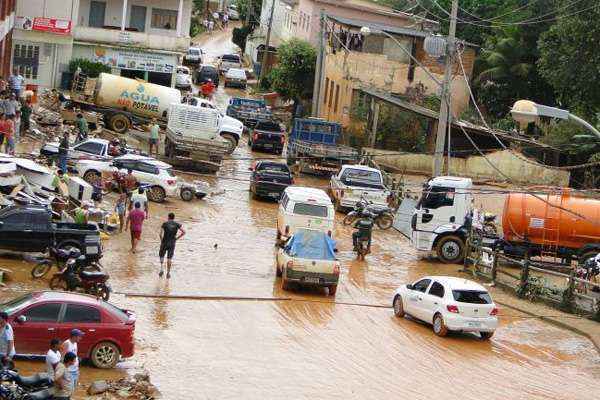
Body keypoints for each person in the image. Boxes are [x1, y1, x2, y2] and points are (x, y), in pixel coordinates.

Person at [159, 213, 186, 278]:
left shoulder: (164, 224)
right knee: (169, 258)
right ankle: (168, 273)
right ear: (174, 218)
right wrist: (176, 238)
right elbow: (184, 232)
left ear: (168, 217)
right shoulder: (177, 224)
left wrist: (161, 240)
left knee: (162, 255)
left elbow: (160, 234)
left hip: (164, 242)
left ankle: (162, 269)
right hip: (172, 242)